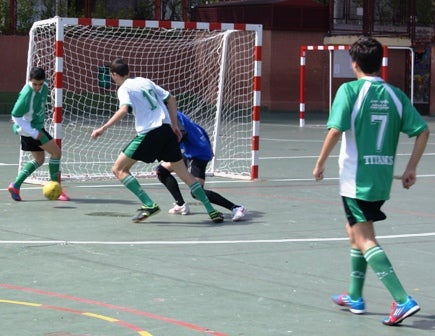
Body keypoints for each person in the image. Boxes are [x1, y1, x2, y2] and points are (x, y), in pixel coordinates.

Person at [312, 36, 429, 326]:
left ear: (354, 63)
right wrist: (411, 167)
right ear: (380, 62)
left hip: (356, 180)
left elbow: (336, 130)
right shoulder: (396, 95)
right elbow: (422, 131)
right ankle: (355, 295)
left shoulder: (349, 91)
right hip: (381, 179)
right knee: (354, 231)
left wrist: (319, 163)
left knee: (365, 238)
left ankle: (403, 300)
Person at [90, 58, 224, 224]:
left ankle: (149, 204)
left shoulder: (123, 89)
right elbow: (171, 99)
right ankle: (212, 211)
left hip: (149, 133)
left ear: (114, 75)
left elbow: (124, 109)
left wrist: (103, 128)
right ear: (129, 72)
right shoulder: (144, 81)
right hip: (167, 131)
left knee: (118, 169)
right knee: (184, 174)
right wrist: (174, 125)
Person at [156, 111, 248, 221]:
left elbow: (179, 134)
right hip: (190, 150)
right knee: (161, 171)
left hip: (199, 152)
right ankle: (180, 205)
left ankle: (237, 208)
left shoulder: (169, 115)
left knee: (196, 192)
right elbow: (194, 129)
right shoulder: (172, 113)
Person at [8, 66, 70, 202]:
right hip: (31, 130)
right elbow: (15, 116)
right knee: (56, 153)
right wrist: (33, 132)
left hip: (31, 129)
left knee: (39, 159)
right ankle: (56, 188)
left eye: (40, 84)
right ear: (30, 81)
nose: (37, 87)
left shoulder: (45, 86)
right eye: (34, 84)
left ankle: (16, 185)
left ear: (44, 81)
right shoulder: (26, 95)